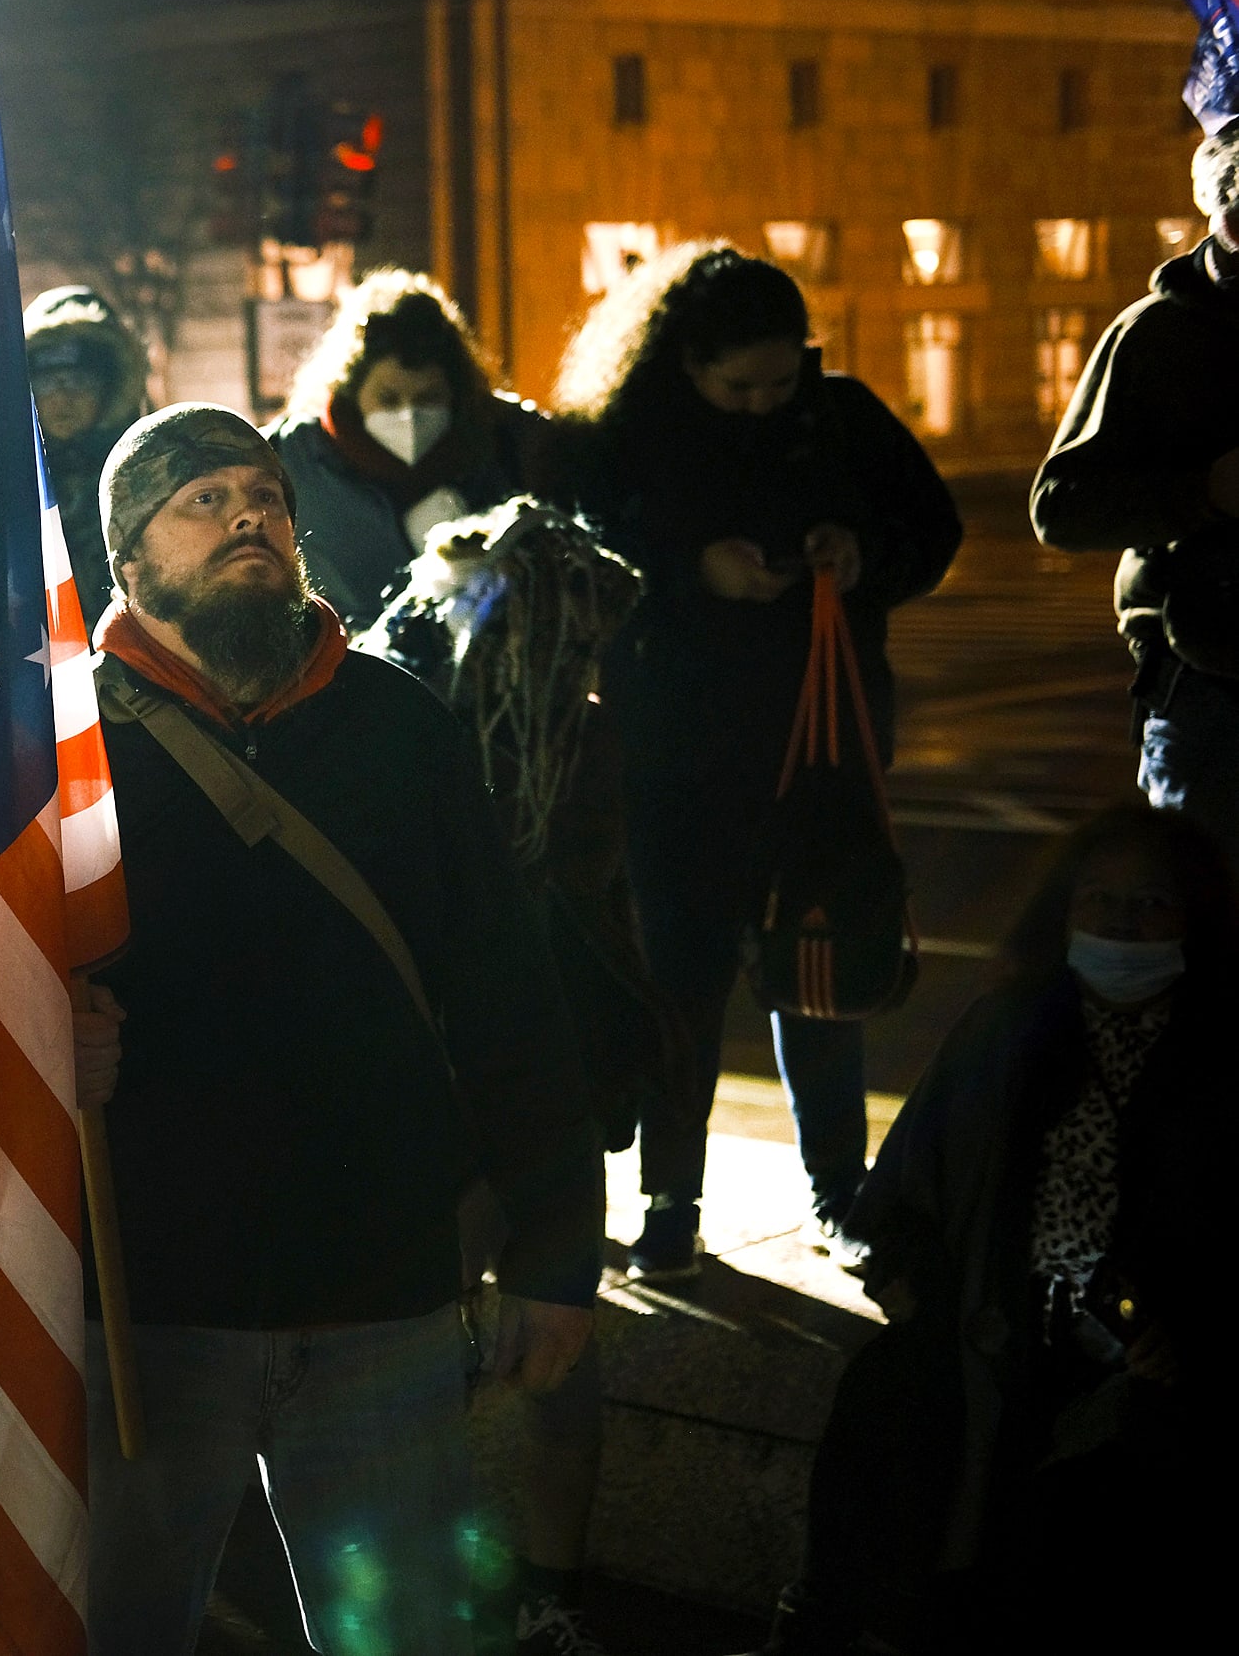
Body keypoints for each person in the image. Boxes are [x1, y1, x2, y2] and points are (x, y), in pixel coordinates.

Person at [75, 405, 602, 1655]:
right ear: (130, 558)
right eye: (202, 501)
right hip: (146, 1305)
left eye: (264, 494)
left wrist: (554, 1247)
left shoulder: (396, 724)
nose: (249, 515)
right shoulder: (56, 741)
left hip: (382, 1296)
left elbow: (507, 995)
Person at [555, 243, 961, 1277]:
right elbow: (581, 546)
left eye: (780, 380)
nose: (760, 402)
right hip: (676, 747)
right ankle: (669, 1202)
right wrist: (692, 570)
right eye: (735, 385)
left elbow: (930, 525)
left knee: (816, 961)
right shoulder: (627, 427)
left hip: (818, 736)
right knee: (682, 980)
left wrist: (859, 553)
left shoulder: (839, 413)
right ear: (681, 361)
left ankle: (837, 1190)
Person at [742, 805, 1228, 1654]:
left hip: (1137, 1358)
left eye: (1150, 904)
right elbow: (899, 1196)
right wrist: (909, 1278)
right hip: (990, 1323)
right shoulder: (1009, 1027)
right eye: (1100, 901)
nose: (1122, 924)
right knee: (891, 1408)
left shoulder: (1219, 1051)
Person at [366, 499, 684, 1654]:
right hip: (441, 1066)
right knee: (425, 1357)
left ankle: (546, 1595)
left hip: (543, 1063)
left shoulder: (580, 733)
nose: (558, 657)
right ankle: (436, 1588)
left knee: (551, 1347)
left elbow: (590, 899)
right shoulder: (411, 718)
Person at [1032, 124, 1239, 865]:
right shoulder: (1154, 336)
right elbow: (1060, 504)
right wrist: (1203, 493)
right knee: (1202, 914)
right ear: (1217, 216)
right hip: (1207, 684)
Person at [270, 270, 571, 634]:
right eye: (388, 398)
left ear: (456, 393)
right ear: (350, 389)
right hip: (349, 678)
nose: (409, 415)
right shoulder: (289, 459)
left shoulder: (512, 441)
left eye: (428, 398)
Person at [24, 284, 150, 618]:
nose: (64, 398)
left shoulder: (145, 473)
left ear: (110, 389)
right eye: (49, 383)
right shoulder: (6, 477)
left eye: (80, 382)